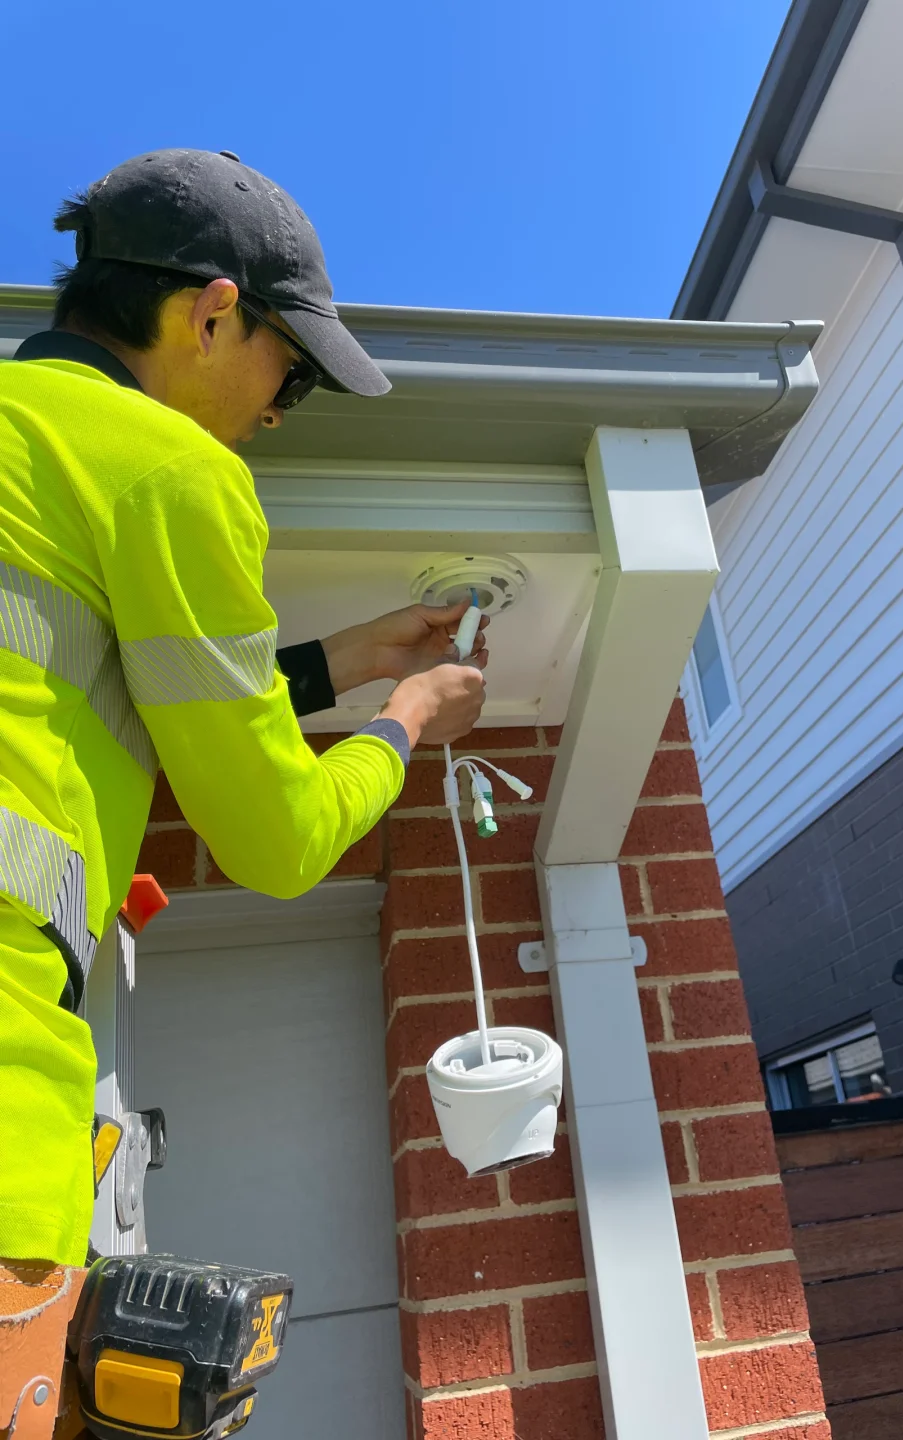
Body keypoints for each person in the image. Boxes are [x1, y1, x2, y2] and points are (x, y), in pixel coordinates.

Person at [0, 149, 487, 1287]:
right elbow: (275, 840)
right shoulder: (172, 467)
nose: (279, 412)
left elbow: (114, 672)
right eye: (292, 371)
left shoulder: (37, 442)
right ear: (212, 312)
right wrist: (407, 719)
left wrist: (357, 656)